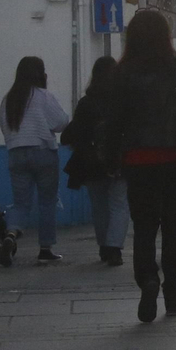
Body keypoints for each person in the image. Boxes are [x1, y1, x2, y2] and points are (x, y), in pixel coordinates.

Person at [105, 10, 176, 323]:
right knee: (175, 229)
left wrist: (112, 158)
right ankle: (173, 292)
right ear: (166, 36)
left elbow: (113, 122)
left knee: (144, 227)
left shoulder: (122, 73)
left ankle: (148, 280)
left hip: (138, 163)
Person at [0, 55, 70, 262]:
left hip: (16, 154)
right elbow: (61, 122)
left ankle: (11, 234)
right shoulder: (43, 96)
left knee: (20, 203)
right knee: (47, 202)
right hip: (43, 153)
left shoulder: (8, 99)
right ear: (40, 73)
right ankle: (45, 250)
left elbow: (5, 127)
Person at [61, 56, 125, 266]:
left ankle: (104, 248)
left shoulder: (86, 102)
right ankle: (115, 248)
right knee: (119, 205)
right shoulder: (122, 101)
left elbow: (74, 133)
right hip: (119, 160)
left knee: (99, 207)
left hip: (92, 163)